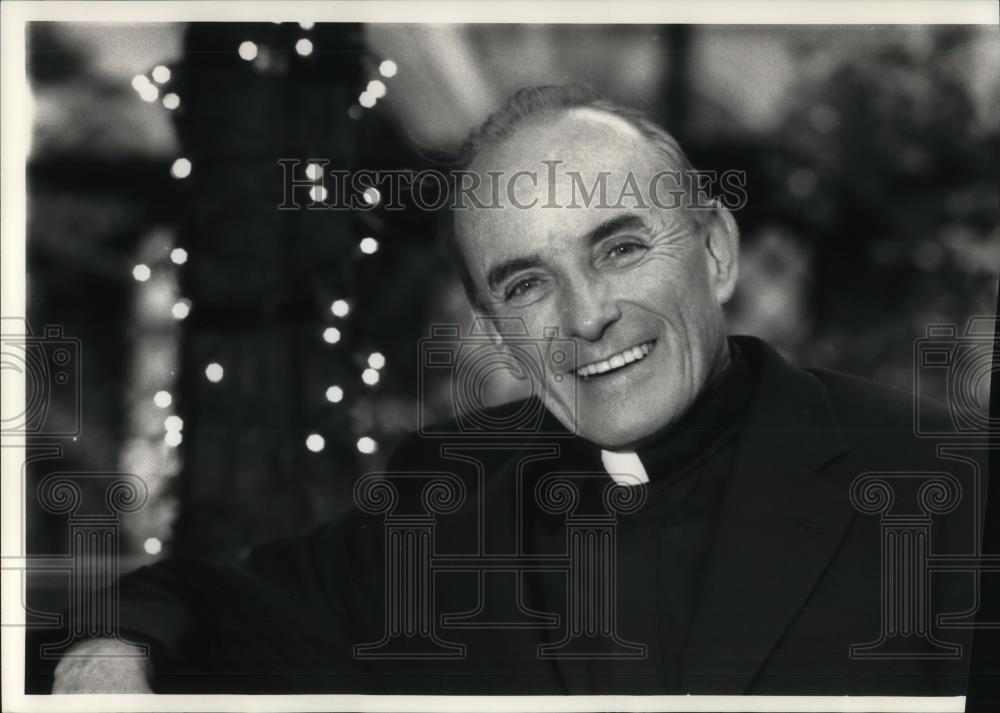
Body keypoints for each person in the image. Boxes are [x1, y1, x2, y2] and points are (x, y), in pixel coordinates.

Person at [42, 85, 984, 695]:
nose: (586, 317)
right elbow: (204, 604)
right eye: (526, 282)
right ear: (496, 328)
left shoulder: (951, 479)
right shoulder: (442, 491)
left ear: (717, 250)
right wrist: (111, 651)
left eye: (618, 249)